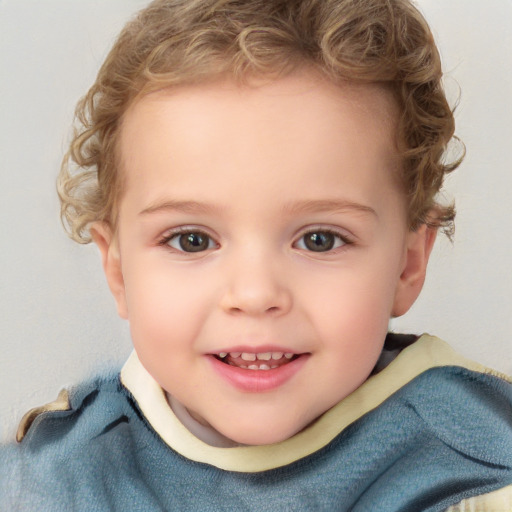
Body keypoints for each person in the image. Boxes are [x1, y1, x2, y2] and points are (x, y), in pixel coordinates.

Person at [1, 0, 511, 510]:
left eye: (320, 239)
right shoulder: (58, 476)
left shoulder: (479, 467)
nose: (255, 294)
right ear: (118, 270)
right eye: (192, 240)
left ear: (407, 264)